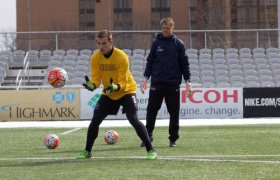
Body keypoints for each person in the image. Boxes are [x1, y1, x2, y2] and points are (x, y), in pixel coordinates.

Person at [76, 30, 157, 160]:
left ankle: (150, 149)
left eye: (104, 43)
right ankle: (87, 151)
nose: (101, 46)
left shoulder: (121, 57)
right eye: (98, 43)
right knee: (95, 121)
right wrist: (92, 85)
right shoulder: (95, 58)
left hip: (126, 91)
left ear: (110, 42)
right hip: (109, 93)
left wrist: (116, 86)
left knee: (133, 120)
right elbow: (96, 79)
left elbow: (123, 82)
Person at [140, 17, 192, 147]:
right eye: (163, 28)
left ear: (172, 28)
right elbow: (150, 61)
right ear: (161, 28)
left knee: (174, 112)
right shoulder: (156, 44)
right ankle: (148, 136)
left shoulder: (178, 44)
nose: (165, 30)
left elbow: (184, 64)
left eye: (168, 28)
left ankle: (173, 139)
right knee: (151, 111)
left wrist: (188, 81)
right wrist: (145, 78)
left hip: (173, 84)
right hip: (157, 83)